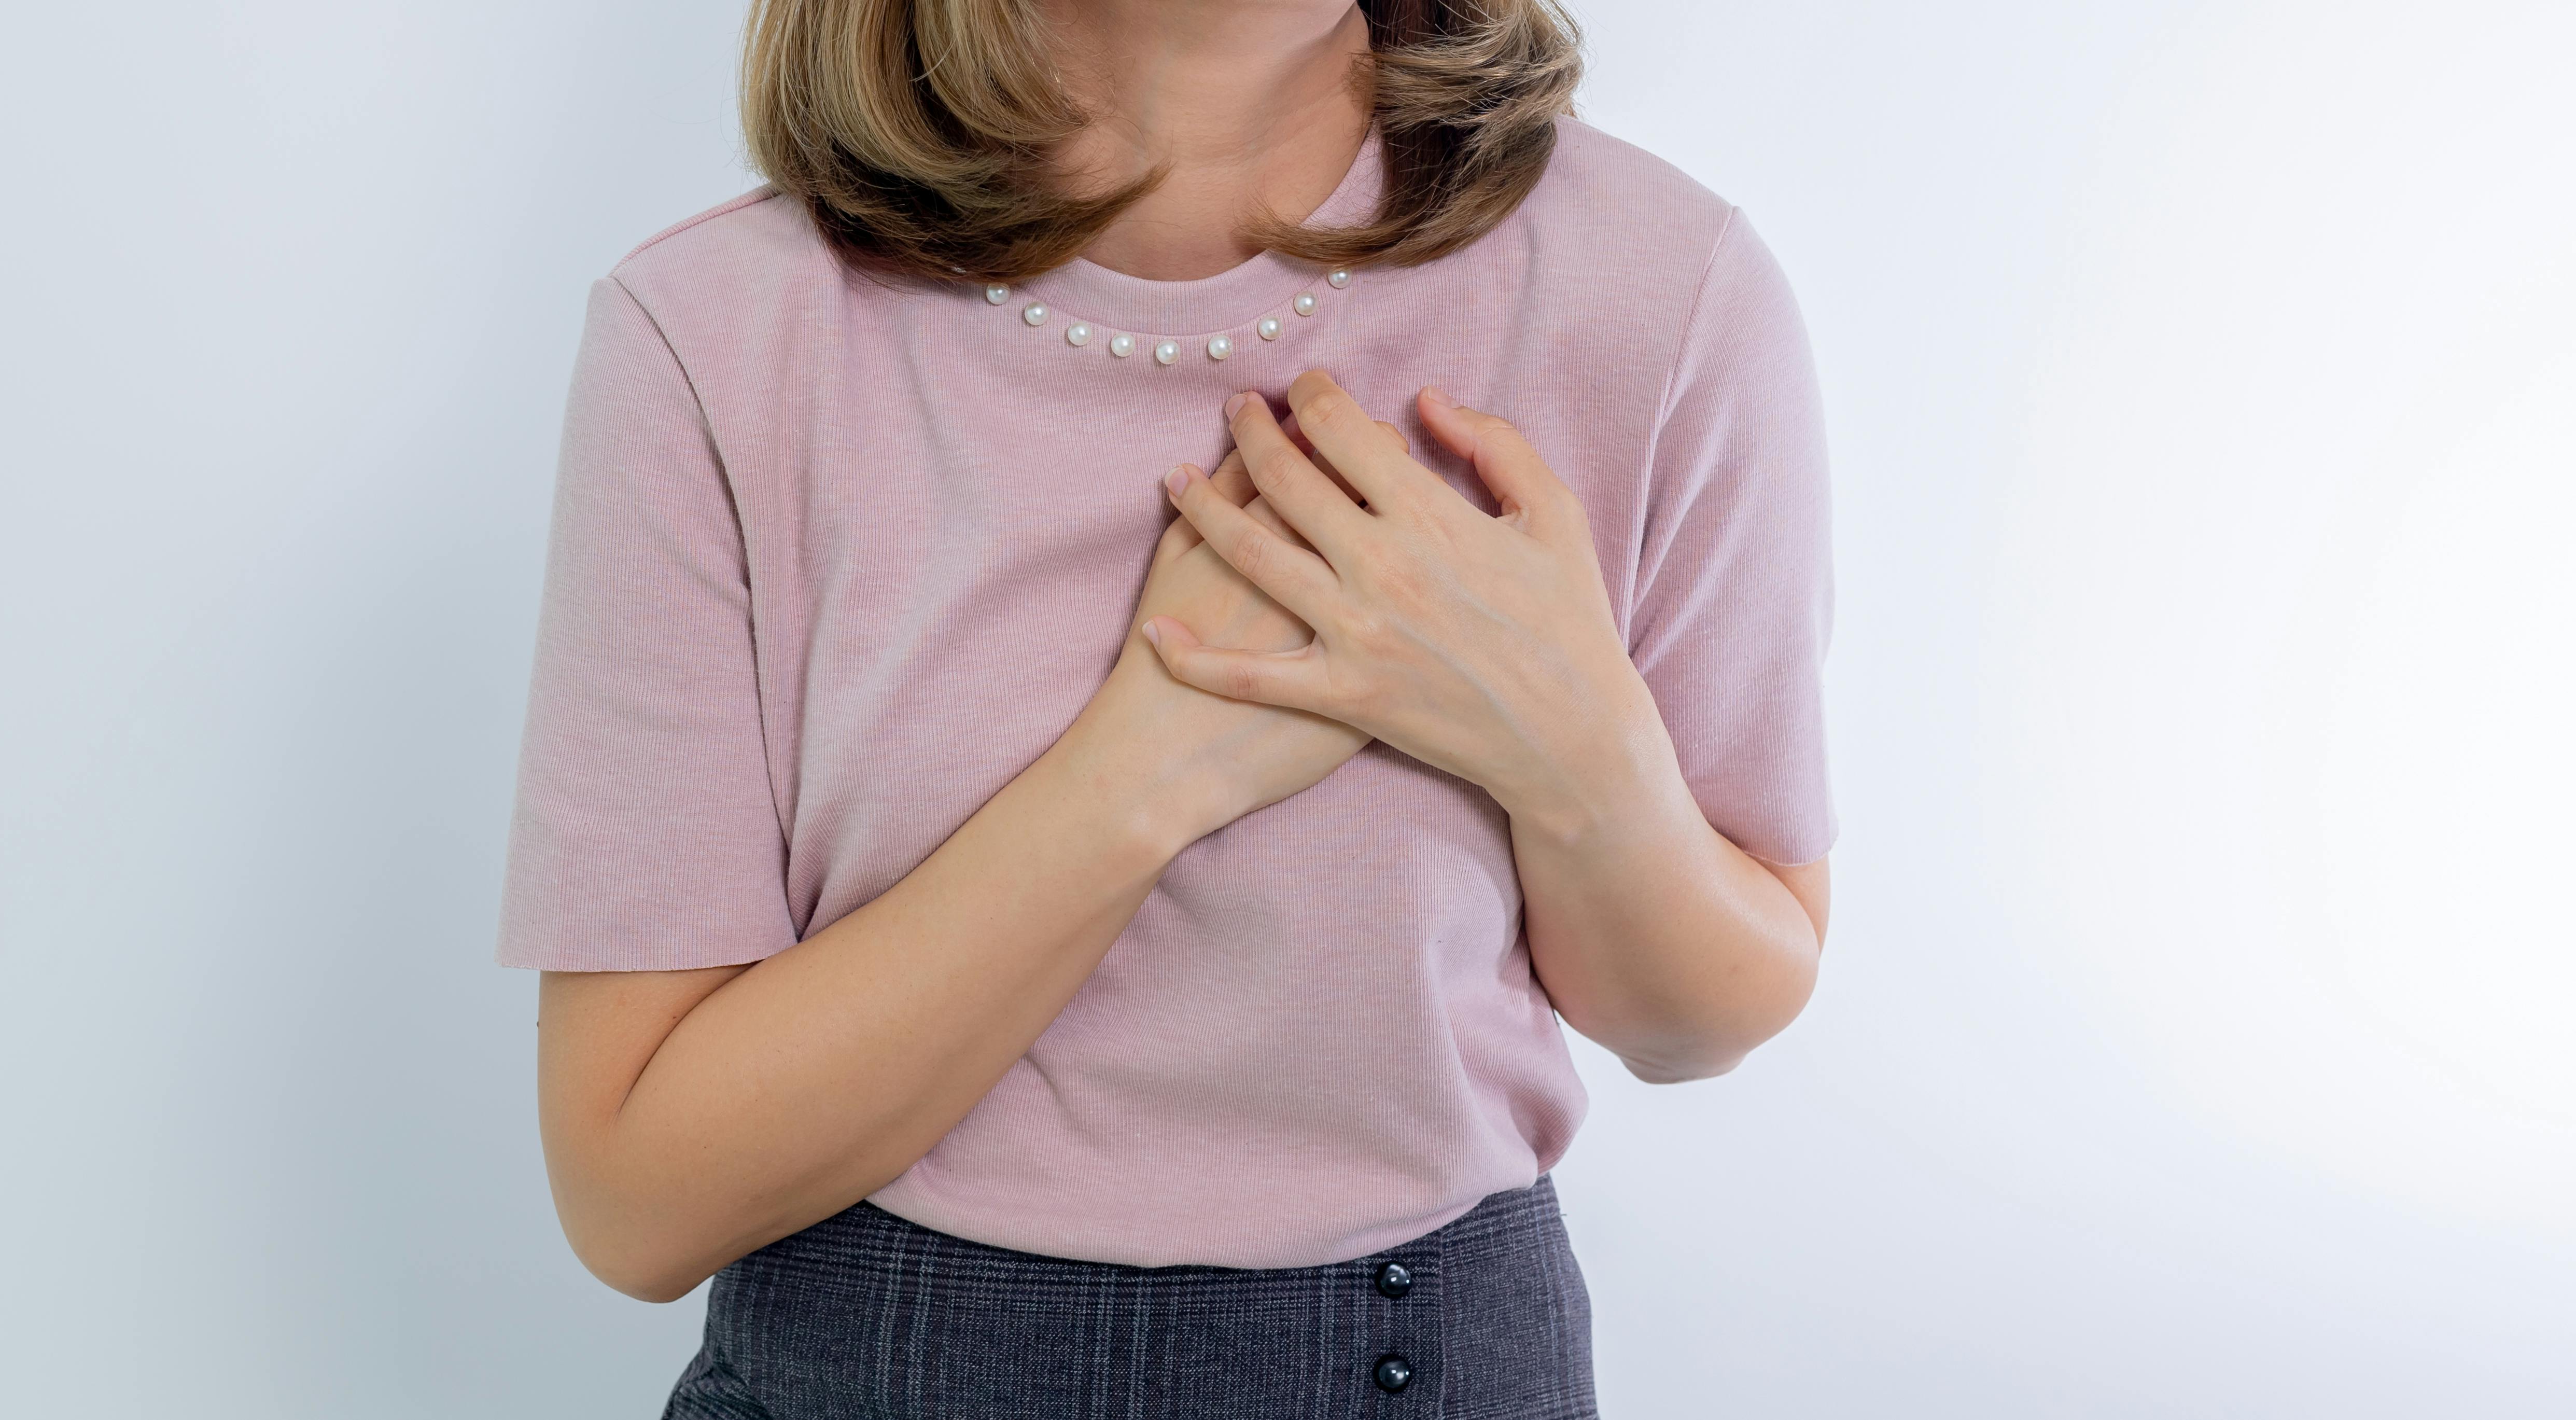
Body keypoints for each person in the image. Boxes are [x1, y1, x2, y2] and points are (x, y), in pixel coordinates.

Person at [496, 1, 1832, 1413]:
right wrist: (1141, 777)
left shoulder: (1664, 290)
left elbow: (1707, 1015)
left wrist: (1578, 754)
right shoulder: (719, 333)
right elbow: (633, 1194)